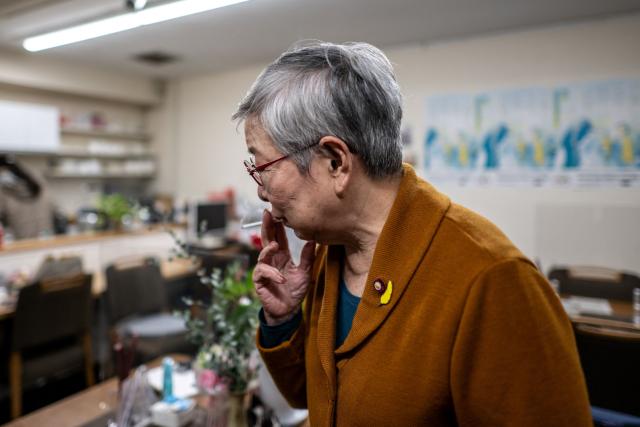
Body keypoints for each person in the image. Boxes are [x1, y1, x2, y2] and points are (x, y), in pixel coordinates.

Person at [232, 41, 592, 426]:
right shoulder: (330, 252)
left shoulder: (494, 279)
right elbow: (315, 398)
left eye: (262, 166)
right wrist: (283, 319)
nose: (260, 190)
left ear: (335, 162)